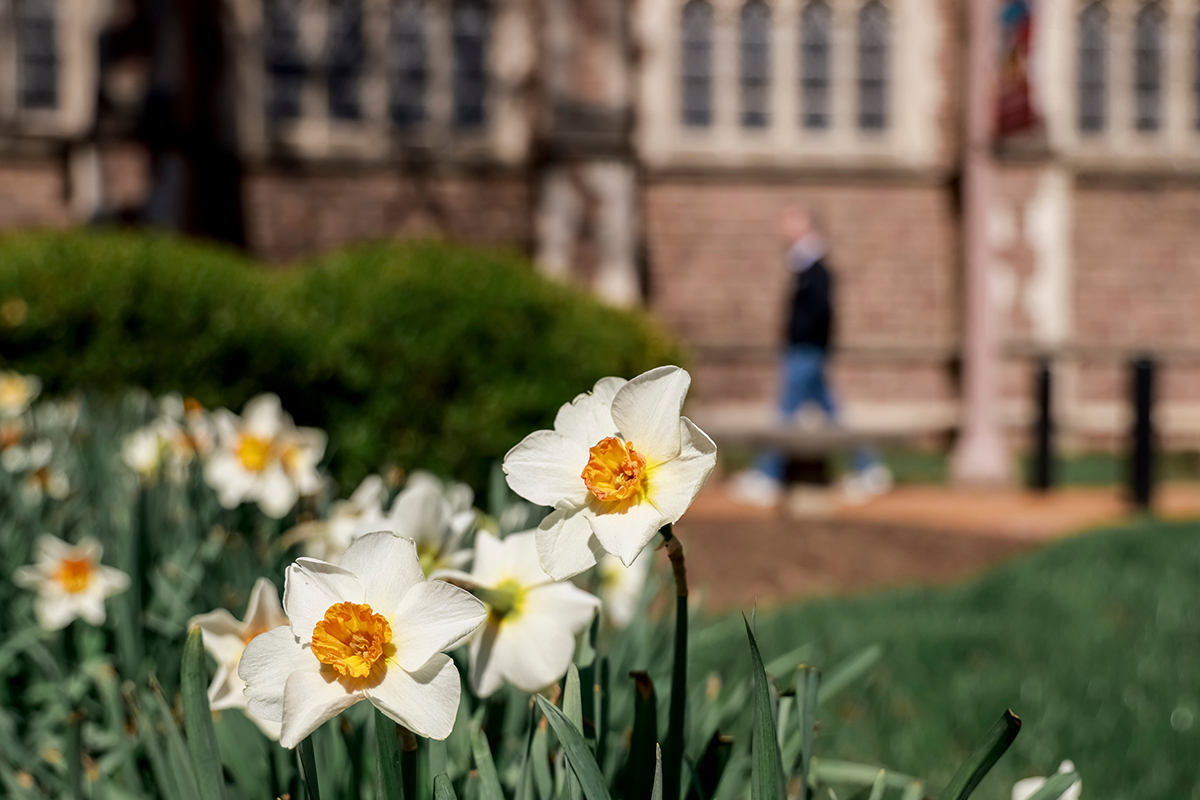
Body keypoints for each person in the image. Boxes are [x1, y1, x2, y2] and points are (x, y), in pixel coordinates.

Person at [733, 206, 891, 506]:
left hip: (806, 351)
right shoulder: (802, 265)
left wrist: (805, 339)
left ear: (807, 227)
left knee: (786, 411)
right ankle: (869, 468)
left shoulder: (815, 268)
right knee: (833, 413)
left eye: (791, 222)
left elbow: (820, 312)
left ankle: (767, 475)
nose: (783, 228)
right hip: (807, 350)